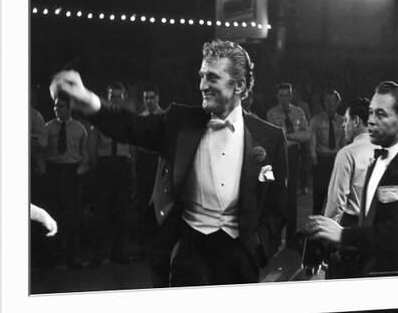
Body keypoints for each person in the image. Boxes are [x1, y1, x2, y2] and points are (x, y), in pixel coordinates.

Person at [50, 39, 288, 286]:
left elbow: (276, 207)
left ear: (238, 85)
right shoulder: (179, 122)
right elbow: (131, 126)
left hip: (240, 260)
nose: (202, 85)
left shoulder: (270, 138)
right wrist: (89, 101)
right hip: (188, 255)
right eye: (201, 76)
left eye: (212, 78)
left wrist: (257, 248)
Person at [304, 81, 398, 277]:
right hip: (366, 254)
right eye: (371, 112)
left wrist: (335, 236)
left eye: (381, 114)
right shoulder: (378, 159)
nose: (372, 121)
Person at [90, 82, 135, 266]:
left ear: (123, 98)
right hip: (105, 166)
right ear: (107, 98)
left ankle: (120, 253)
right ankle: (98, 255)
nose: (115, 99)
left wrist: (132, 168)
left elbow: (134, 147)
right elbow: (92, 148)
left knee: (122, 211)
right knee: (102, 212)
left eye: (119, 95)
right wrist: (96, 169)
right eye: (112, 96)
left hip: (123, 166)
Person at [45, 93, 89, 268]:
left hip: (72, 173)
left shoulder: (80, 129)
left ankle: (72, 256)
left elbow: (85, 156)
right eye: (55, 106)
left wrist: (78, 172)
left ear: (70, 108)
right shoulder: (47, 128)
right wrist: (43, 171)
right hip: (53, 172)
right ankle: (52, 257)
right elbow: (42, 153)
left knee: (72, 216)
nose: (57, 109)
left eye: (61, 106)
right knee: (52, 215)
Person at [266, 83, 309, 243]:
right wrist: (292, 136)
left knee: (292, 197)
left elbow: (306, 135)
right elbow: (273, 138)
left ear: (291, 96)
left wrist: (289, 136)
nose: (284, 99)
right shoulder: (271, 114)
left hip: (293, 155)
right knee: (279, 196)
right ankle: (276, 236)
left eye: (287, 95)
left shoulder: (298, 112)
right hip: (279, 157)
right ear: (277, 97)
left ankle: (291, 238)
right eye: (281, 95)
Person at [323, 98, 376, 226]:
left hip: (352, 225)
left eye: (346, 120)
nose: (343, 125)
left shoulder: (347, 153)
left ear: (356, 121)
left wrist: (327, 229)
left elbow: (336, 202)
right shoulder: (383, 148)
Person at [133, 86, 165, 257]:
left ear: (158, 97)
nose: (149, 101)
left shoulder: (165, 117)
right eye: (146, 98)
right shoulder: (140, 119)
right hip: (144, 163)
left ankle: (160, 245)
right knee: (143, 204)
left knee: (159, 203)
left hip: (160, 162)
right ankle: (143, 246)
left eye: (152, 97)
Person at [309, 89, 345, 214]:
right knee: (318, 196)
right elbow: (312, 140)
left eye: (332, 101)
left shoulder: (342, 121)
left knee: (335, 195)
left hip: (336, 160)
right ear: (324, 103)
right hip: (321, 159)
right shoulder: (316, 120)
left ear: (337, 103)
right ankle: (315, 224)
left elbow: (344, 142)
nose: (329, 104)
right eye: (327, 101)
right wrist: (313, 157)